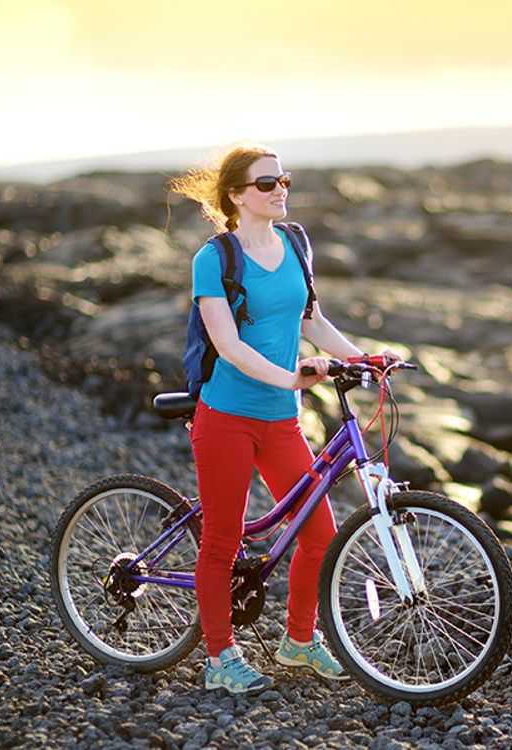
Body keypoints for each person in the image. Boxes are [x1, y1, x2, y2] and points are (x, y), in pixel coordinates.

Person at [169, 144, 398, 695]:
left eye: (283, 180)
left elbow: (312, 320)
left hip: (282, 420)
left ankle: (298, 640)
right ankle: (219, 656)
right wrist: (292, 377)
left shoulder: (295, 242)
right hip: (227, 416)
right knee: (223, 541)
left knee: (318, 535)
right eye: (266, 184)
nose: (280, 191)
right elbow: (226, 345)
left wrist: (363, 355)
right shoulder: (214, 258)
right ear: (236, 196)